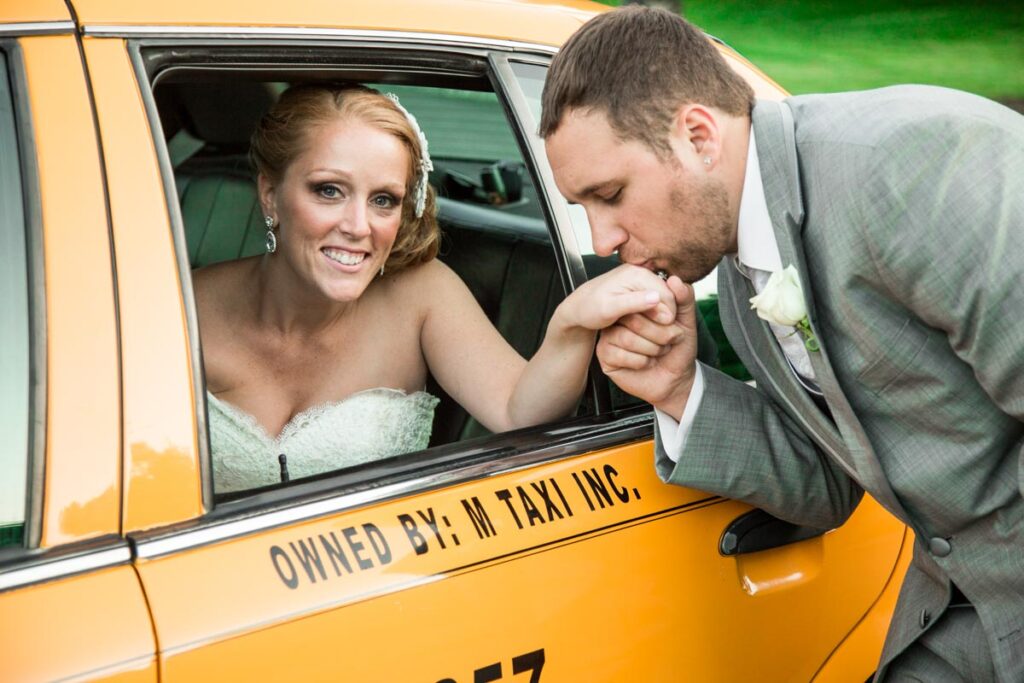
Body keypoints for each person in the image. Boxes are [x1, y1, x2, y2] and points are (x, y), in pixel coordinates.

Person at [539, 7, 1024, 682]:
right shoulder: (740, 282)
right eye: (582, 208)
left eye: (611, 195)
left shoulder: (913, 169)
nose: (601, 240)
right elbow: (832, 487)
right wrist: (681, 388)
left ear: (699, 136)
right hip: (956, 620)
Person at [194, 83, 678, 494]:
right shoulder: (182, 305)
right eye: (328, 190)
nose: (359, 226)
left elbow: (518, 409)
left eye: (384, 200)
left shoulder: (421, 296)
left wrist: (572, 323)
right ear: (269, 194)